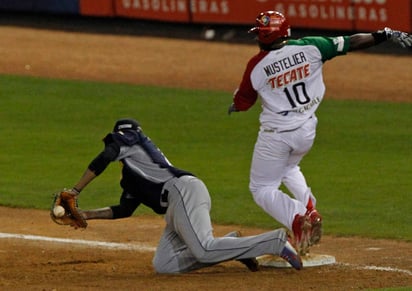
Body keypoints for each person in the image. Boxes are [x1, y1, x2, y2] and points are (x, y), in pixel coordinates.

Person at [228, 11, 412, 255]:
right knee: (289, 168)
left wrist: (235, 104)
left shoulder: (256, 66)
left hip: (277, 135)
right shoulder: (312, 47)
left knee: (262, 188)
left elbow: (243, 102)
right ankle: (310, 209)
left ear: (263, 38)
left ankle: (298, 219)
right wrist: (385, 34)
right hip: (306, 130)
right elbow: (352, 42)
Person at [61, 118, 303, 273]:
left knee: (204, 250)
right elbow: (124, 209)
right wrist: (85, 215)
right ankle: (232, 243)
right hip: (177, 208)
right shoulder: (133, 175)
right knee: (165, 265)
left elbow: (105, 156)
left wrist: (75, 189)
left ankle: (276, 242)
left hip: (183, 191)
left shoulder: (131, 139)